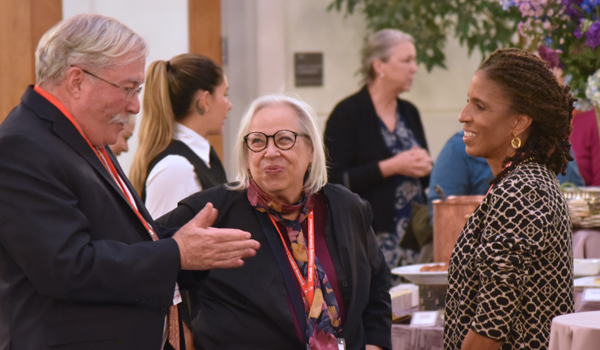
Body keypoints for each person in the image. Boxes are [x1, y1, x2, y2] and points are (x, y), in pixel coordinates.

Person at [0, 14, 259, 350]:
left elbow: (122, 238)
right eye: (128, 88)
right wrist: (177, 253)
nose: (136, 106)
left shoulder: (80, 139)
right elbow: (68, 267)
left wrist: (190, 247)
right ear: (77, 80)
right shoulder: (23, 145)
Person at [159, 94, 392, 350]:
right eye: (257, 141)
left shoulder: (346, 208)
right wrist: (181, 336)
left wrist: (375, 343)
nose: (270, 152)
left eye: (284, 139)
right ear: (247, 155)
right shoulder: (213, 213)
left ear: (312, 150)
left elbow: (377, 279)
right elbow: (147, 256)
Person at [444, 48, 574, 350]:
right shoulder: (521, 182)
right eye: (468, 101)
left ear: (519, 122)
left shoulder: (522, 191)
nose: (463, 116)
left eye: (480, 106)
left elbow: (491, 327)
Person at [324, 29, 432, 269]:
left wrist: (426, 166)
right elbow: (333, 180)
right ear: (378, 65)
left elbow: (423, 174)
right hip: (370, 237)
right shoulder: (348, 113)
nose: (414, 68)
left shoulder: (409, 112)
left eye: (414, 60)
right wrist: (392, 166)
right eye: (406, 60)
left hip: (413, 237)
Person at [130, 54, 231, 218]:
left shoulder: (203, 158)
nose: (229, 105)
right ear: (204, 101)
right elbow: (163, 241)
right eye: (225, 94)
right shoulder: (176, 168)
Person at [427, 130, 585, 217]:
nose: (464, 115)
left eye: (481, 107)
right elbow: (440, 214)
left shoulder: (557, 150)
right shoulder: (458, 148)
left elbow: (578, 205)